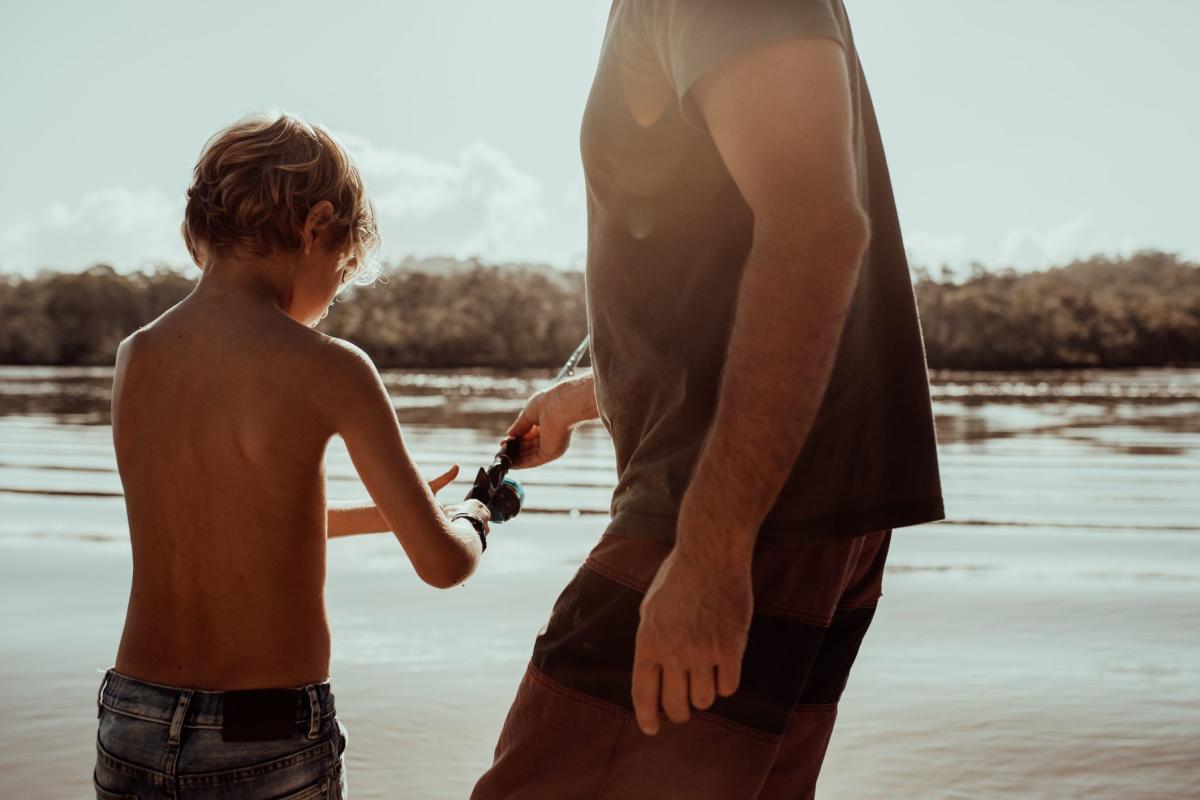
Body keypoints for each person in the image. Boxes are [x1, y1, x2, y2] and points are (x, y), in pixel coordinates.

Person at [473, 1, 944, 797]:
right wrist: (591, 394)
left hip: (732, 516)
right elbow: (709, 258)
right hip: (796, 516)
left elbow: (817, 230)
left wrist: (713, 548)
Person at [93, 113, 492, 800]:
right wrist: (477, 515)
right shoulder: (331, 367)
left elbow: (231, 519)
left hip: (132, 717)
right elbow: (443, 564)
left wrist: (393, 511)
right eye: (342, 270)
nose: (333, 297)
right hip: (263, 735)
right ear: (316, 226)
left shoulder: (140, 355)